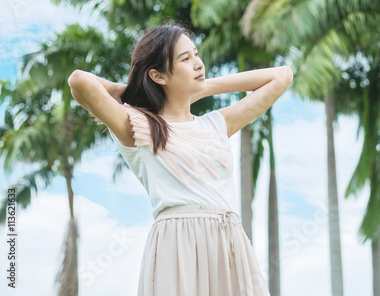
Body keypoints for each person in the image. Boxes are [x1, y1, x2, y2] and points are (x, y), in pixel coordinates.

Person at [67, 21, 293, 296]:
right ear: (158, 76)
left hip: (229, 243)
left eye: (196, 54)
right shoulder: (138, 125)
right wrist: (130, 91)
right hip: (176, 245)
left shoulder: (216, 124)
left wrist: (202, 87)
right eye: (185, 59)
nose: (198, 63)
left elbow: (282, 76)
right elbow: (79, 81)